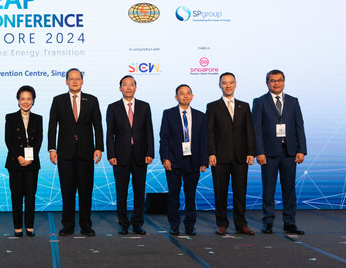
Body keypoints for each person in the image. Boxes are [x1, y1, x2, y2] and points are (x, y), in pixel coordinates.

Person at [48, 68, 104, 236]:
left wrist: (99, 147)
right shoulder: (58, 100)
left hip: (86, 153)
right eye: (71, 78)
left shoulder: (92, 100)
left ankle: (86, 225)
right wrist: (52, 149)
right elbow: (52, 127)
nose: (74, 81)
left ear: (82, 81)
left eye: (77, 78)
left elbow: (98, 126)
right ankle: (68, 225)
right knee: (67, 191)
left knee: (86, 191)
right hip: (65, 153)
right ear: (66, 81)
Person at [252, 69, 307, 235]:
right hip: (268, 153)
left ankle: (290, 222)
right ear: (267, 83)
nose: (276, 83)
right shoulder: (260, 101)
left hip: (289, 152)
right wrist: (259, 152)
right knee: (268, 189)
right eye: (272, 80)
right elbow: (257, 130)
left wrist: (302, 150)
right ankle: (268, 222)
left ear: (284, 82)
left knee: (289, 189)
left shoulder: (293, 101)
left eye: (279, 80)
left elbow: (299, 126)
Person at [206, 72, 256, 235]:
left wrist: (251, 152)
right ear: (219, 85)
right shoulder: (212, 106)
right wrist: (211, 153)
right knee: (220, 192)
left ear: (235, 84)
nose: (228, 85)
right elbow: (210, 132)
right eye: (224, 83)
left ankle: (241, 223)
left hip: (240, 157)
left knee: (240, 191)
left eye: (231, 82)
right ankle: (222, 223)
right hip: (219, 157)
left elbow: (249, 130)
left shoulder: (244, 106)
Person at [106, 75, 154, 235]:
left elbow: (149, 132)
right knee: (121, 192)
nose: (128, 87)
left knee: (139, 191)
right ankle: (123, 223)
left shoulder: (145, 106)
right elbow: (109, 134)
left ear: (135, 87)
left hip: (141, 155)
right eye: (125, 85)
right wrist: (111, 154)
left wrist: (150, 152)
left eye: (131, 84)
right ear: (120, 88)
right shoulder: (113, 107)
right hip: (120, 156)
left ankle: (137, 223)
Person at [159, 84, 208, 236]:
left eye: (188, 93)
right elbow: (164, 138)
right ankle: (174, 225)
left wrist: (204, 161)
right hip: (173, 161)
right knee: (174, 195)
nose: (185, 96)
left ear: (192, 96)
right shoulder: (168, 114)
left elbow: (204, 140)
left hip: (193, 161)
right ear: (176, 97)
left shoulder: (201, 116)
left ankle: (190, 225)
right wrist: (165, 158)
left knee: (190, 195)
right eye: (181, 93)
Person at [5, 85, 43, 237]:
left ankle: (29, 225)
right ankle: (17, 226)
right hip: (15, 162)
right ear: (18, 100)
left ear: (33, 101)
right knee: (16, 195)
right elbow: (8, 140)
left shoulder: (38, 118)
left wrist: (29, 158)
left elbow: (39, 140)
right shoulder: (10, 117)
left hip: (32, 163)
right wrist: (19, 157)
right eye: (22, 99)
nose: (25, 102)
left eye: (29, 99)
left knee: (30, 195)